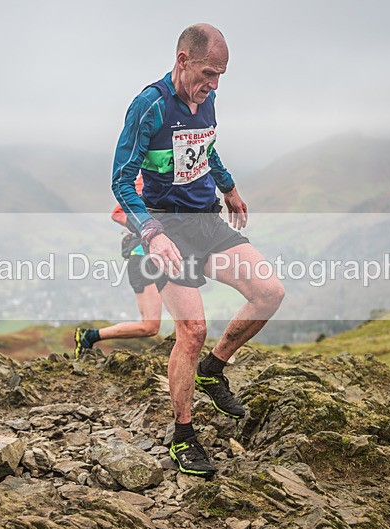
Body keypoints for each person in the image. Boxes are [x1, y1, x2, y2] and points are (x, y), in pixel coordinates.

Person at [111, 23, 284, 478]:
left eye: (221, 75)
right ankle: (183, 436)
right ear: (183, 60)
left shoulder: (206, 99)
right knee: (192, 329)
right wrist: (150, 232)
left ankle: (214, 369)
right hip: (163, 227)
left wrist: (228, 188)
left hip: (205, 220)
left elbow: (207, 148)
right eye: (209, 72)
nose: (214, 84)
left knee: (270, 292)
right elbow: (121, 179)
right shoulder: (148, 106)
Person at [75, 174, 162, 357]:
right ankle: (89, 336)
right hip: (142, 260)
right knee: (150, 326)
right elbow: (118, 213)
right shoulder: (147, 178)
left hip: (157, 258)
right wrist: (145, 230)